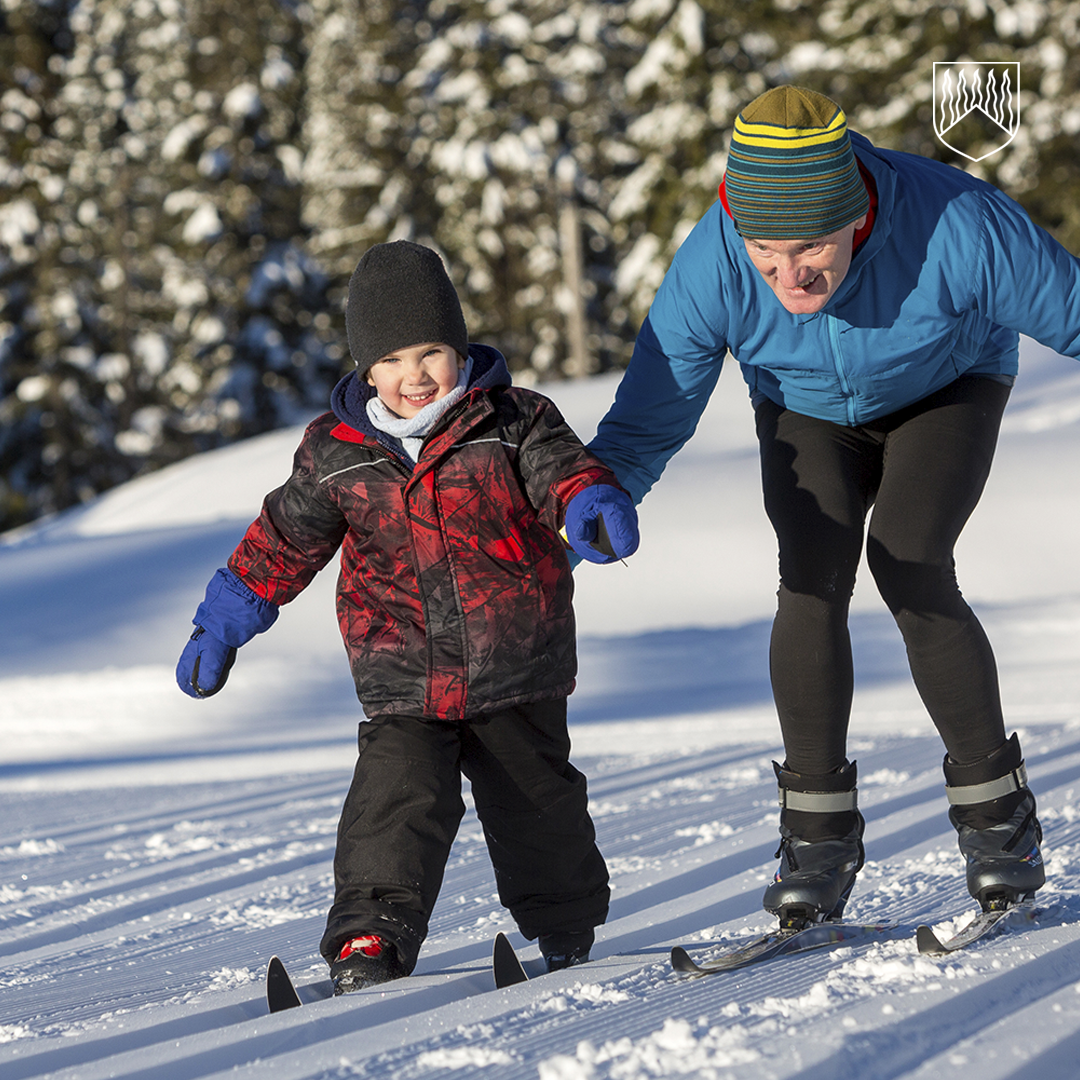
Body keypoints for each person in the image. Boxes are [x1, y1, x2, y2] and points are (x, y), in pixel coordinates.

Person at [588, 85, 1075, 927]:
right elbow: (649, 415)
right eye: (766, 252)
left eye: (810, 246)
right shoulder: (713, 262)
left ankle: (1000, 824)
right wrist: (591, 499)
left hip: (948, 386)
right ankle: (816, 842)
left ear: (854, 215)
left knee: (910, 561)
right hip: (806, 408)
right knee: (811, 580)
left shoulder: (958, 224)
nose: (791, 277)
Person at [175, 240, 639, 992]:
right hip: (401, 673)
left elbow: (563, 469)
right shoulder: (337, 451)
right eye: (391, 360)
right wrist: (223, 621)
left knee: (537, 804)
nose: (414, 376)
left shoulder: (514, 419)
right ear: (366, 369)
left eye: (430, 353)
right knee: (391, 804)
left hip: (514, 663)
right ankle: (369, 939)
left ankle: (565, 929)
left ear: (460, 348)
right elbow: (283, 540)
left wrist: (588, 500)